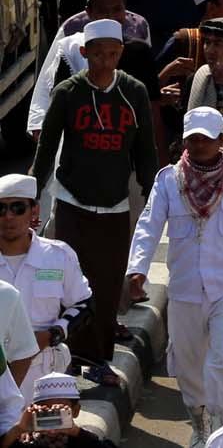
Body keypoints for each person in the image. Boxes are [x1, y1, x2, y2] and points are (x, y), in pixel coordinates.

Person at [125, 106, 223, 444]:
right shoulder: (169, 180)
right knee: (188, 361)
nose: (200, 145)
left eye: (207, 139)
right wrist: (137, 269)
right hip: (186, 286)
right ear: (184, 140)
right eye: (193, 139)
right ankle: (198, 422)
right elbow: (149, 225)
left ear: (221, 139)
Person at [29, 19, 157, 383]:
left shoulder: (133, 92)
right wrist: (32, 196)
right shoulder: (68, 93)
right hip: (72, 201)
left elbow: (145, 150)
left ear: (121, 54)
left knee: (106, 283)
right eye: (98, 55)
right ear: (85, 53)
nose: (105, 62)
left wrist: (152, 196)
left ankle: (99, 359)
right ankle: (68, 357)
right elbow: (46, 149)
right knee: (69, 283)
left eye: (112, 55)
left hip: (115, 205)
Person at [0, 175, 87, 391]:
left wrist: (52, 334)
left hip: (44, 373)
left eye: (18, 208)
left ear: (34, 211)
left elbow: (83, 305)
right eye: (0, 209)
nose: (8, 216)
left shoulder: (58, 256)